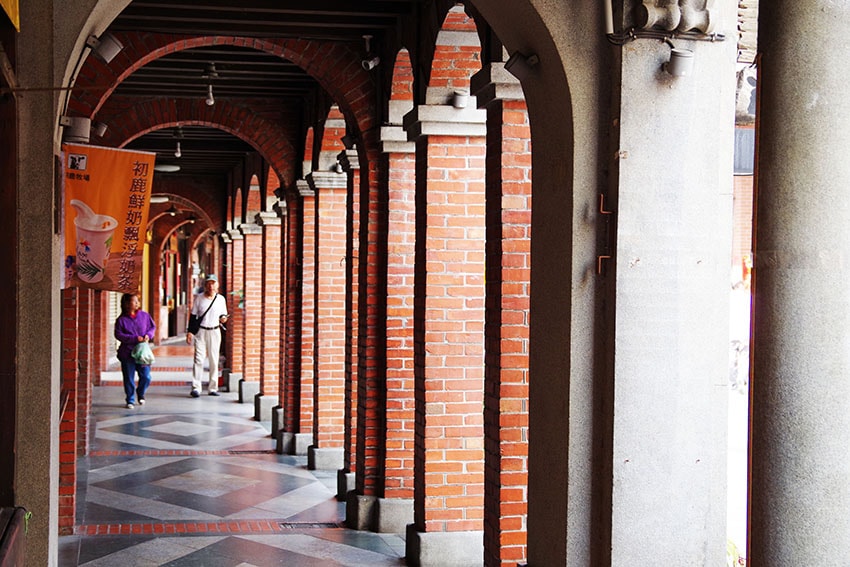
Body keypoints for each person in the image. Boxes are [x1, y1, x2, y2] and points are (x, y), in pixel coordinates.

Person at [186, 274, 228, 397]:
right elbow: (193, 316)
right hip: (201, 331)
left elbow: (223, 316)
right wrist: (190, 332)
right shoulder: (199, 298)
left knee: (214, 360)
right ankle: (196, 387)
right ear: (205, 285)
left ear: (217, 285)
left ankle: (213, 388)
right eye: (208, 283)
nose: (211, 286)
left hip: (215, 331)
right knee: (198, 359)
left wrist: (224, 319)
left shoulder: (221, 299)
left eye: (213, 283)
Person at [114, 293, 156, 409]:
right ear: (127, 304)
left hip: (142, 353)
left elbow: (152, 327)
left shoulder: (144, 316)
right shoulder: (121, 320)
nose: (137, 303)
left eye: (138, 301)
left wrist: (148, 335)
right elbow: (118, 334)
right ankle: (130, 399)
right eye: (134, 301)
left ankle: (141, 393)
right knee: (129, 377)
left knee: (146, 376)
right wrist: (133, 338)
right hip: (127, 353)